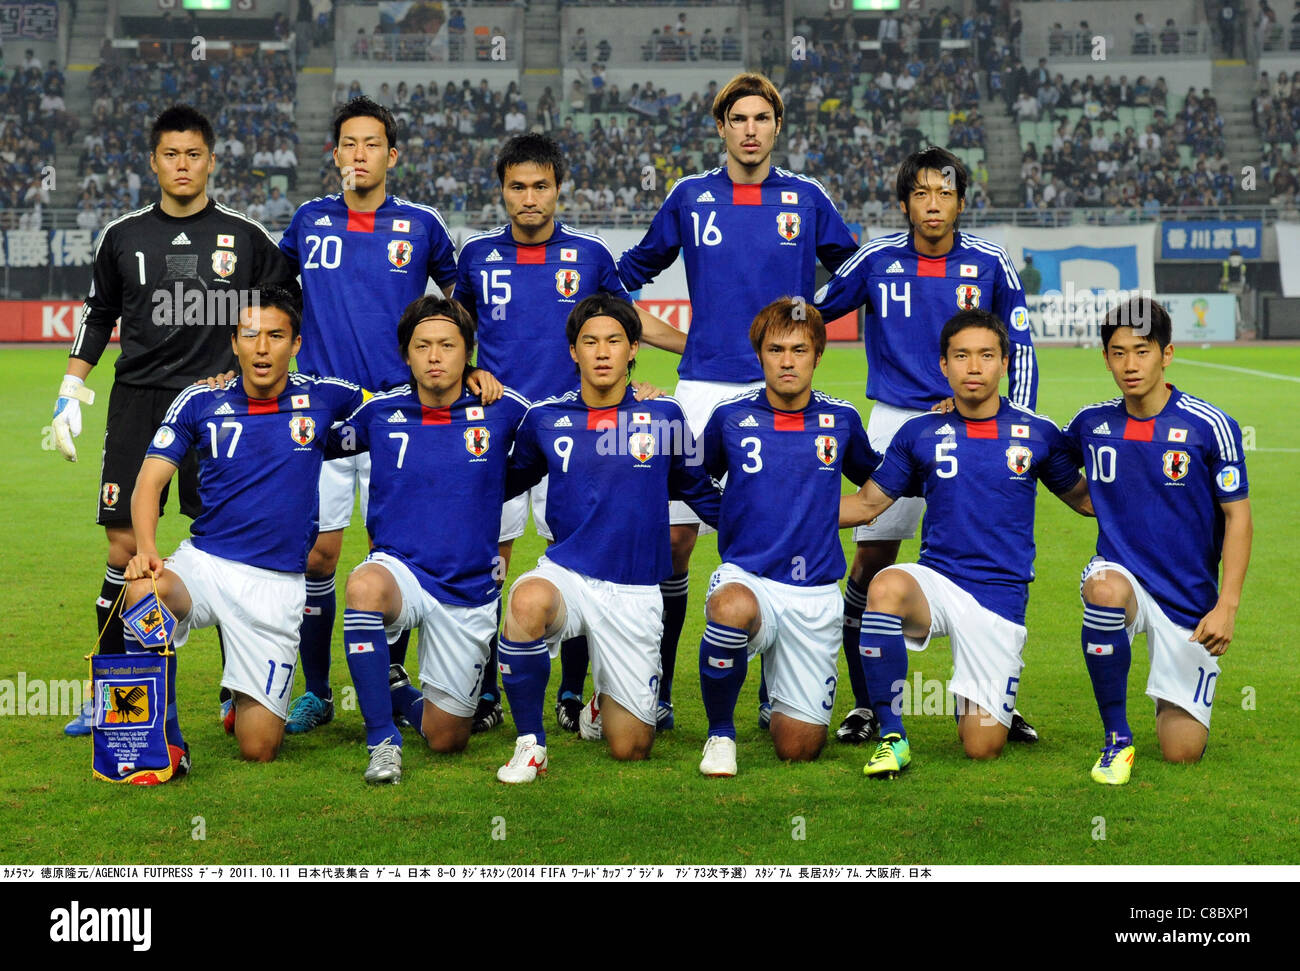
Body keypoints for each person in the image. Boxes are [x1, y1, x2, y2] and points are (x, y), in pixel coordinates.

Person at [617, 72, 859, 732]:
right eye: (738, 119)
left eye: (762, 118)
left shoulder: (806, 199)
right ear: (721, 129)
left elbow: (858, 271)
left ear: (778, 128)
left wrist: (808, 323)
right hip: (701, 386)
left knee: (777, 531)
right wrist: (665, 341)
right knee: (672, 539)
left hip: (781, 391)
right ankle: (659, 687)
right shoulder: (690, 197)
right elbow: (625, 276)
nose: (750, 129)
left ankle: (774, 693)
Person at [54, 104, 296, 739]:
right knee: (124, 547)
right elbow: (98, 312)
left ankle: (235, 689)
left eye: (194, 155)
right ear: (153, 161)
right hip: (138, 400)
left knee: (226, 544)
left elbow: (288, 305)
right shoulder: (123, 235)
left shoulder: (245, 237)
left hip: (219, 407)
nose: (182, 165)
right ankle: (111, 691)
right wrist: (69, 385)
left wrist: (260, 371)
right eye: (171, 155)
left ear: (211, 161)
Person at [278, 97, 495, 736]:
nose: (360, 154)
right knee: (318, 554)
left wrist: (469, 362)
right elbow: (272, 294)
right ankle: (315, 691)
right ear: (336, 153)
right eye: (349, 143)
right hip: (323, 412)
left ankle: (394, 681)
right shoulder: (308, 221)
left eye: (373, 144)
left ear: (391, 156)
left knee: (393, 552)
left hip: (402, 413)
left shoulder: (422, 224)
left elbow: (460, 299)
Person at [455, 132, 683, 734]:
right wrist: (472, 367)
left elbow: (625, 326)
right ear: (501, 191)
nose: (529, 199)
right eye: (517, 187)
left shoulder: (589, 255)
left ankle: (574, 694)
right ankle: (484, 690)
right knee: (490, 561)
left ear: (559, 189)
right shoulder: (476, 255)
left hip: (576, 439)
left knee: (586, 559)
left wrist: (697, 351)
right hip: (502, 431)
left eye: (540, 186)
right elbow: (453, 332)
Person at [814, 146, 1041, 746]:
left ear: (961, 201)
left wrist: (1012, 423)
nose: (932, 204)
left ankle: (998, 693)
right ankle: (868, 705)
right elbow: (811, 317)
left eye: (944, 193)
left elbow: (1021, 346)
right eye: (920, 193)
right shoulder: (876, 259)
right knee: (872, 558)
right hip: (895, 422)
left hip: (973, 427)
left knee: (989, 556)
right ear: (906, 202)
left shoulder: (990, 262)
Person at [121, 287, 364, 775]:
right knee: (145, 592)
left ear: (295, 344)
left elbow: (406, 403)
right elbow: (148, 483)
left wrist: (472, 378)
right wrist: (147, 552)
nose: (261, 347)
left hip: (276, 587)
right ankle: (162, 740)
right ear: (234, 341)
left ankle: (241, 693)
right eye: (250, 335)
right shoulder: (202, 398)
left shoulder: (325, 397)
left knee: (259, 748)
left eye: (275, 336)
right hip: (207, 566)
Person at [839, 310, 1090, 777]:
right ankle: (892, 736)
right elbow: (867, 503)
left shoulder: (1037, 432)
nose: (973, 367)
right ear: (944, 365)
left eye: (985, 356)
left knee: (982, 747)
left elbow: (1086, 501)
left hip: (999, 598)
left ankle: (981, 699)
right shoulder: (919, 432)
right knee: (884, 587)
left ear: (1004, 363)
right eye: (962, 356)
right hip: (936, 581)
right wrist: (779, 512)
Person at [494, 294, 722, 783]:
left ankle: (601, 706)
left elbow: (696, 489)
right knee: (527, 600)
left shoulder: (664, 417)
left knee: (631, 748)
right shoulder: (545, 418)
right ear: (573, 352)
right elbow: (506, 482)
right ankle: (530, 744)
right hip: (569, 574)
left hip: (635, 590)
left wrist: (764, 526)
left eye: (613, 341)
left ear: (633, 348)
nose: (601, 351)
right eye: (589, 342)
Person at [328, 296, 530, 783]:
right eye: (423, 346)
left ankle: (395, 690)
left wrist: (641, 399)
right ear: (406, 354)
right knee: (362, 587)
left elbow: (565, 434)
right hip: (401, 570)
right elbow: (313, 437)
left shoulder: (504, 410)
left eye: (447, 345)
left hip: (466, 589)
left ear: (468, 354)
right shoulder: (380, 413)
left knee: (446, 738)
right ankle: (382, 741)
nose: (434, 356)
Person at [1062, 298, 1252, 785]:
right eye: (1118, 352)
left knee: (1181, 753)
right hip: (1121, 573)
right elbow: (1041, 452)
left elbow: (1238, 518)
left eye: (1141, 351)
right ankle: (1117, 739)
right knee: (1103, 591)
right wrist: (1087, 501)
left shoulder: (1210, 426)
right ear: (1105, 357)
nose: (1130, 365)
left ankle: (1169, 696)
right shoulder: (1091, 423)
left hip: (1188, 598)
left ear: (1166, 354)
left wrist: (1227, 605)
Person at [696, 298, 879, 777]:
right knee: (730, 607)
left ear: (818, 355)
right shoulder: (731, 417)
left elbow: (876, 482)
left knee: (797, 749)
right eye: (775, 349)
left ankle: (774, 694)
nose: (787, 360)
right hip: (749, 576)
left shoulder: (841, 421)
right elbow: (693, 478)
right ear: (759, 355)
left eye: (799, 349)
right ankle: (720, 734)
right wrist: (735, 517)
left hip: (815, 593)